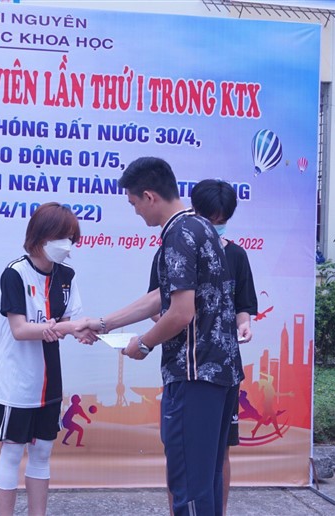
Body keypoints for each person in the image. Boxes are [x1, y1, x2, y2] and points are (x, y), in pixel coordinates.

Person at [77, 157, 243, 516]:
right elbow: (161, 295)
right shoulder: (201, 228)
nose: (136, 212)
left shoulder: (177, 236)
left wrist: (144, 343)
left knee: (189, 488)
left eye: (134, 203)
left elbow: (181, 312)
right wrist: (104, 323)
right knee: (207, 482)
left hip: (194, 375)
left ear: (150, 196)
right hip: (221, 373)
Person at [149, 179, 258, 515]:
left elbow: (241, 304)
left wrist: (243, 323)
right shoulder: (176, 247)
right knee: (186, 463)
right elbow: (159, 303)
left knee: (210, 461)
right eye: (211, 218)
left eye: (222, 220)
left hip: (213, 370)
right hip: (192, 365)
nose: (215, 225)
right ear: (195, 210)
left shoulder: (233, 254)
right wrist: (135, 329)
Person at [0, 202, 94, 516]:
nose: (68, 245)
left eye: (71, 238)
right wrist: (64, 328)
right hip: (17, 382)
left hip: (49, 383)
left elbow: (70, 322)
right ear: (41, 236)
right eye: (62, 237)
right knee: (12, 454)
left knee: (42, 454)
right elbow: (20, 330)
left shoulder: (67, 276)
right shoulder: (15, 273)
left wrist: (84, 331)